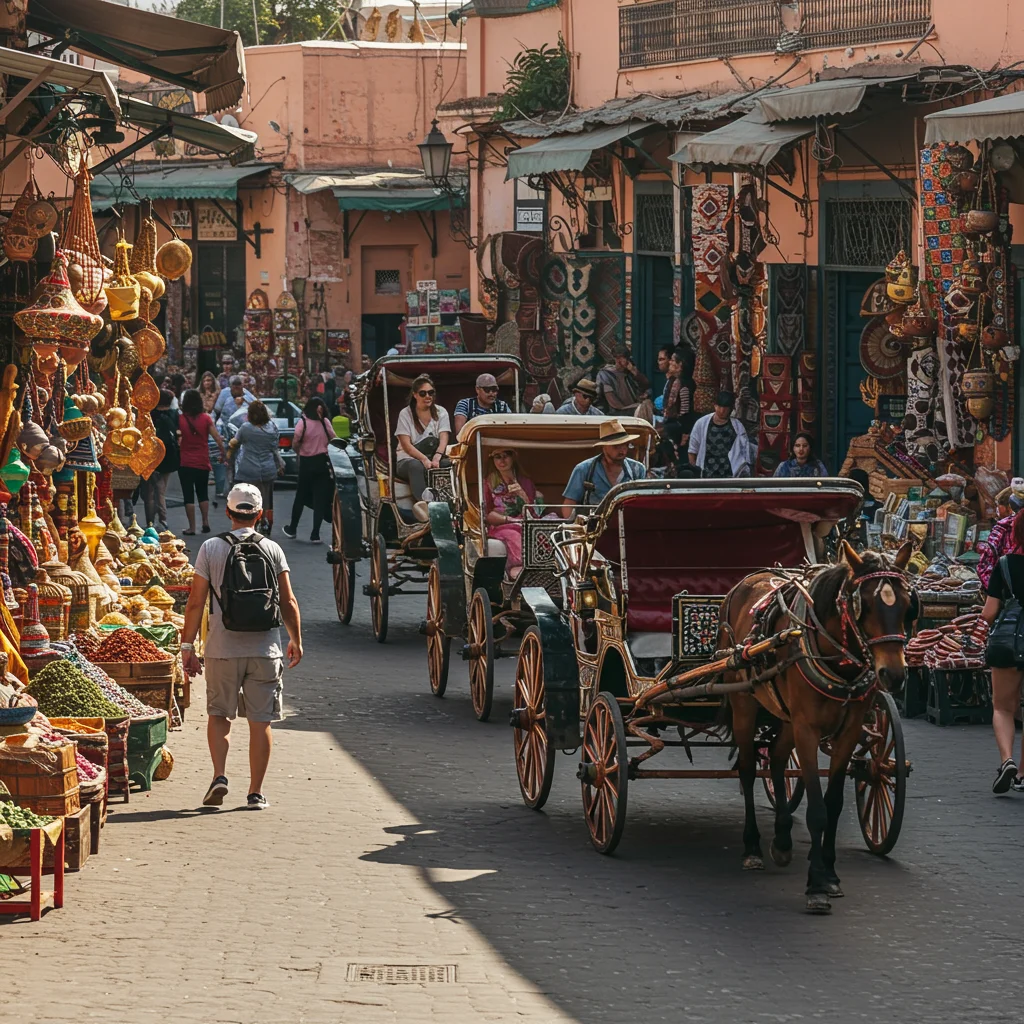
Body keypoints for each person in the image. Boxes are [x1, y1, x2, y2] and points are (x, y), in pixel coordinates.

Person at [181, 483, 302, 811]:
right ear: (260, 515)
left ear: (228, 513)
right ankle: (255, 793)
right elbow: (288, 601)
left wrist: (187, 647)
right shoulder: (273, 549)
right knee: (260, 722)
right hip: (265, 649)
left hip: (221, 648)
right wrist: (296, 640)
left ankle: (220, 775)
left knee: (220, 715)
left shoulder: (209, 548)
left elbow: (195, 602)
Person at [976, 506, 1024, 793]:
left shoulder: (1005, 565)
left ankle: (1006, 759)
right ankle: (1022, 773)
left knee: (1003, 707)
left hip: (1008, 641)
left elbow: (989, 612)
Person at [392, 374, 451, 522]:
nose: (428, 396)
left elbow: (444, 437)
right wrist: (424, 459)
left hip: (434, 456)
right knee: (415, 466)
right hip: (408, 459)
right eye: (423, 393)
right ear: (415, 395)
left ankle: (452, 504)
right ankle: (425, 506)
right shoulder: (405, 414)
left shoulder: (441, 412)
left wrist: (437, 456)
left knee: (449, 465)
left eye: (431, 393)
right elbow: (406, 444)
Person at [562, 419, 647, 517]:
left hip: (628, 522)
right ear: (604, 447)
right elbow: (569, 504)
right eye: (616, 446)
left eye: (625, 445)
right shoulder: (584, 469)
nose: (622, 450)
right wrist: (573, 527)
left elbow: (643, 502)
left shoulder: (638, 469)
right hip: (594, 525)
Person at [282, 397, 336, 543]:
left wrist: (301, 450)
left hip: (306, 462)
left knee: (300, 495)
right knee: (320, 498)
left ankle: (292, 528)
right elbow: (334, 438)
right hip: (322, 462)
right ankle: (315, 534)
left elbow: (295, 442)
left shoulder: (303, 422)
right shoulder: (325, 423)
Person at [178, 388, 226, 535]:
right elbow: (217, 438)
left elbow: (177, 438)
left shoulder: (180, 420)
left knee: (188, 495)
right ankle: (205, 522)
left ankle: (192, 527)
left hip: (185, 462)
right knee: (202, 493)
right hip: (202, 461)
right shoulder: (206, 418)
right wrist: (223, 454)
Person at [230, 400, 283, 535]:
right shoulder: (272, 428)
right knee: (267, 498)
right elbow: (275, 447)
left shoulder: (246, 428)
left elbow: (235, 442)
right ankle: (266, 521)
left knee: (248, 497)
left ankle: (250, 521)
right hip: (268, 468)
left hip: (248, 468)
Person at [688, 391, 753, 479]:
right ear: (715, 406)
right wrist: (695, 473)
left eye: (725, 408)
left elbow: (746, 452)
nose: (722, 411)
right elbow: (692, 450)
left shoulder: (738, 427)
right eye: (719, 407)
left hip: (730, 476)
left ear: (731, 408)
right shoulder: (701, 423)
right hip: (706, 475)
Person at [142, 390, 179, 530]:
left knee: (150, 492)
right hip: (169, 456)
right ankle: (163, 520)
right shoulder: (174, 415)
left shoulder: (150, 415)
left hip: (151, 455)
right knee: (162, 489)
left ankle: (150, 522)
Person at [596, 344, 650, 416]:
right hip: (615, 411)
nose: (620, 361)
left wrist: (635, 373)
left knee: (648, 405)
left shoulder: (630, 371)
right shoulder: (606, 374)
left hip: (633, 407)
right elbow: (612, 401)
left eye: (623, 358)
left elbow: (646, 385)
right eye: (617, 358)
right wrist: (628, 409)